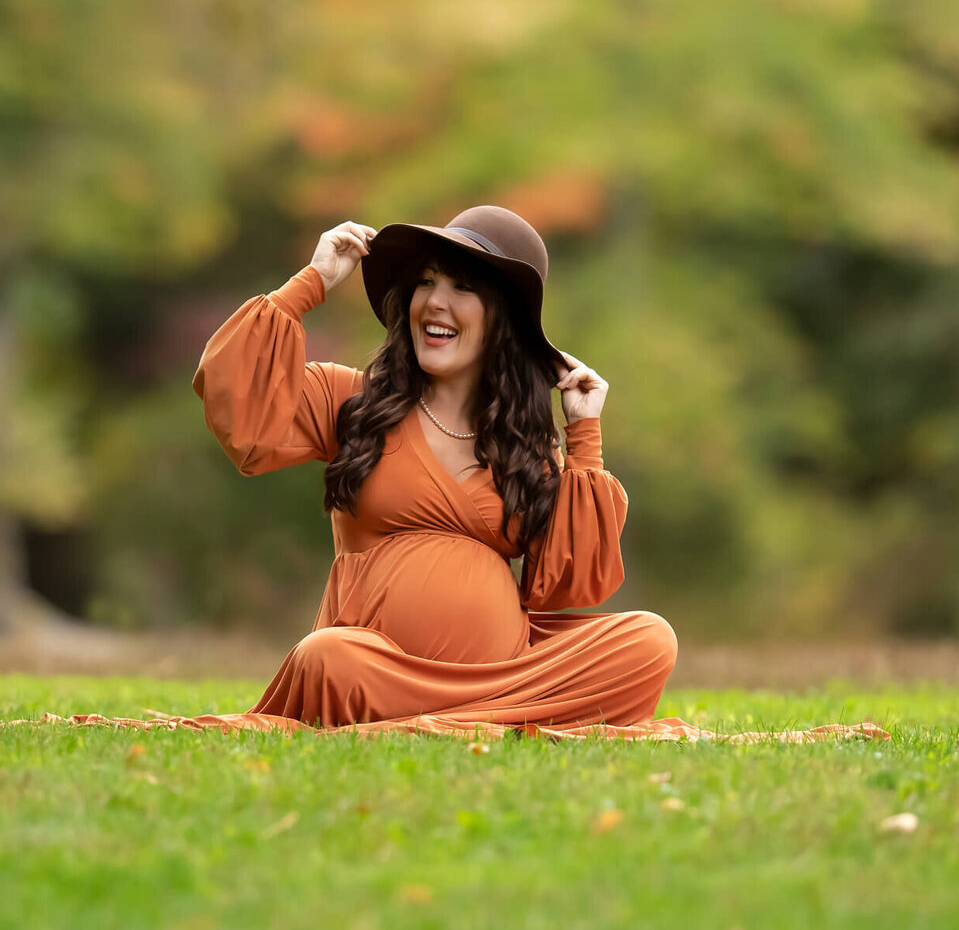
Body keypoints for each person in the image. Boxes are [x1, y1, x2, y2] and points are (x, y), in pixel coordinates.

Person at [194, 204, 684, 731]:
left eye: (463, 289)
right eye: (426, 282)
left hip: (503, 675)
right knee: (327, 657)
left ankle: (468, 715)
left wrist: (584, 433)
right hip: (374, 670)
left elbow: (567, 586)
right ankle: (479, 722)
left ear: (503, 320)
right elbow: (239, 410)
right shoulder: (352, 400)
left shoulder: (526, 449)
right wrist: (309, 283)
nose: (435, 302)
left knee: (649, 640)